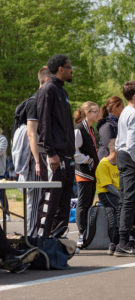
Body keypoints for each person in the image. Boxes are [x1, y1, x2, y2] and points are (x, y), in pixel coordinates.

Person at [36, 54, 75, 238]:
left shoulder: (62, 92)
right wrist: (51, 153)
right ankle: (41, 243)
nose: (71, 70)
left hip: (67, 156)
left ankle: (56, 244)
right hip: (54, 156)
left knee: (64, 204)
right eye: (69, 67)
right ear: (60, 68)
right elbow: (43, 123)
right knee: (50, 201)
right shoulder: (48, 90)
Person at [11, 66, 51, 236]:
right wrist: (36, 161)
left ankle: (33, 236)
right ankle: (31, 238)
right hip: (32, 157)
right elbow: (31, 134)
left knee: (37, 198)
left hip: (35, 156)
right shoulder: (35, 102)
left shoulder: (40, 101)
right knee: (34, 199)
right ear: (47, 81)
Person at [114, 80, 135, 257]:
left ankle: (117, 241)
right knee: (129, 201)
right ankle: (124, 242)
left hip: (122, 156)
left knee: (123, 200)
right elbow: (133, 144)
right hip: (131, 159)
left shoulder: (125, 112)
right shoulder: (134, 114)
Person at [73, 101, 101, 248]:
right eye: (95, 111)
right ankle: (81, 233)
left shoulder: (90, 129)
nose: (98, 114)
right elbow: (74, 152)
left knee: (89, 203)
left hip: (91, 172)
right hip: (83, 172)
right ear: (87, 113)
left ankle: (87, 233)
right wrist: (88, 159)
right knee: (83, 204)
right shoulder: (79, 129)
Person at [95, 139, 120, 254]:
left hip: (117, 193)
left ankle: (132, 235)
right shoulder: (104, 164)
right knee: (117, 211)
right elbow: (108, 186)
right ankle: (114, 243)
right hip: (106, 193)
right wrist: (122, 196)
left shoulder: (119, 164)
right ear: (116, 151)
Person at [97, 96, 125, 160]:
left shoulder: (117, 123)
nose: (124, 110)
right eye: (122, 107)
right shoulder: (107, 125)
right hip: (107, 162)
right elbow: (110, 147)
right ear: (115, 107)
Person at [0, 130, 8, 219]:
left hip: (0, 172)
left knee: (1, 195)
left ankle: (7, 214)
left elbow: (0, 151)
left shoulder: (2, 139)